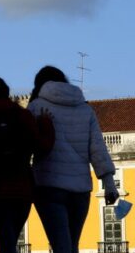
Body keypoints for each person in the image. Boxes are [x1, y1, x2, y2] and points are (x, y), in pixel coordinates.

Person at [27, 66, 118, 253]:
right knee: (72, 246)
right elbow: (98, 149)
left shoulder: (36, 107)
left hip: (49, 185)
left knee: (61, 246)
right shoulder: (86, 109)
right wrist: (109, 184)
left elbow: (26, 144)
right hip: (80, 190)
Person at [0, 76, 53, 253]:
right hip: (21, 187)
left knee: (5, 240)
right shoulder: (23, 116)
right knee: (9, 239)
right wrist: (46, 124)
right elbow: (43, 145)